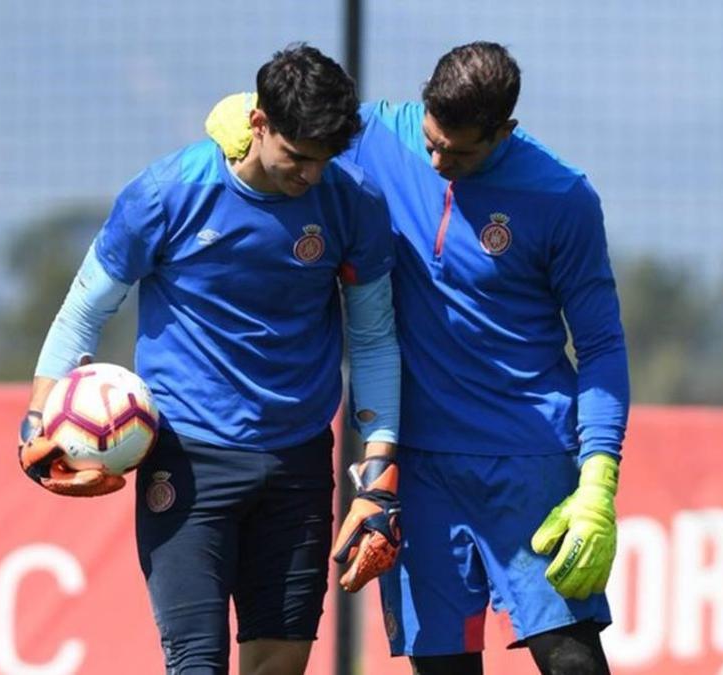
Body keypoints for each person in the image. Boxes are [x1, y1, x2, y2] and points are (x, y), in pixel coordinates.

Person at [205, 41, 629, 675]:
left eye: (459, 153)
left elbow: (600, 345)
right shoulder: (373, 136)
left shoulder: (563, 197)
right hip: (419, 470)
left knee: (570, 661)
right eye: (431, 141)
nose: (437, 160)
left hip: (529, 462)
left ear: (504, 131)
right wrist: (238, 116)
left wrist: (599, 477)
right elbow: (293, 125)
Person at [17, 44, 403, 675]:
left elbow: (375, 339)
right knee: (197, 663)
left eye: (324, 161)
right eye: (297, 157)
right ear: (259, 124)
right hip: (188, 460)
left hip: (300, 456)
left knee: (280, 664)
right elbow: (83, 312)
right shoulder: (167, 193)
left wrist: (380, 468)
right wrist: (36, 424)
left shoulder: (352, 203)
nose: (309, 176)